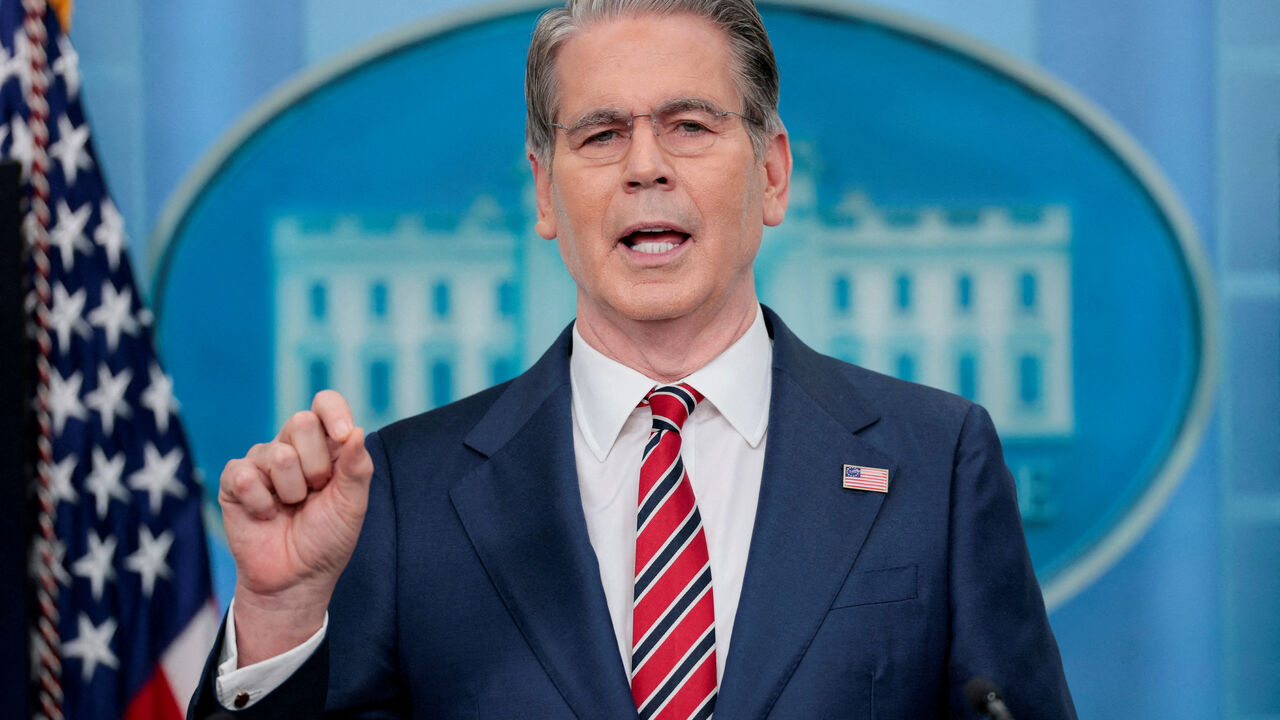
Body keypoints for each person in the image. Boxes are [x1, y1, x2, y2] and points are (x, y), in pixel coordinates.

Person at [190, 0, 1077, 717]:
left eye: (689, 125)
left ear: (772, 175)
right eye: (601, 134)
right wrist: (280, 617)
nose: (645, 167)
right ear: (545, 191)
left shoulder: (936, 461)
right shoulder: (404, 493)